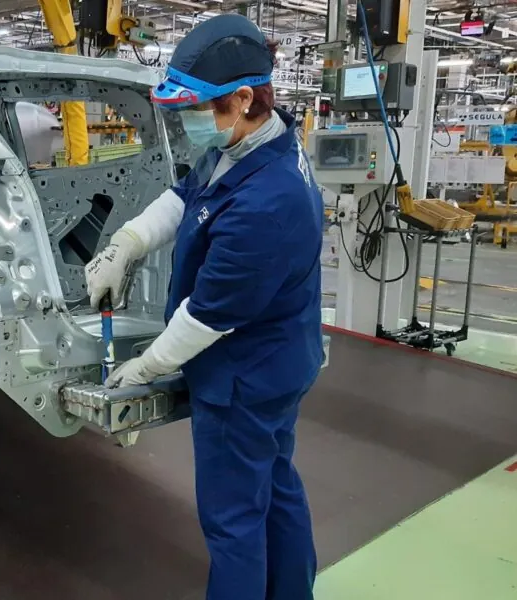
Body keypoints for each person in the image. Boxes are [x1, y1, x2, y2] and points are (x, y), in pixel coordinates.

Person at [84, 14, 323, 600]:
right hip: (280, 360)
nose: (189, 121)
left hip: (244, 377)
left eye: (197, 109)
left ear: (242, 98)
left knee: (233, 519)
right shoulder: (252, 142)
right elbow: (187, 192)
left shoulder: (268, 203)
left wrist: (145, 367)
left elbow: (208, 316)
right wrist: (126, 243)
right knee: (275, 488)